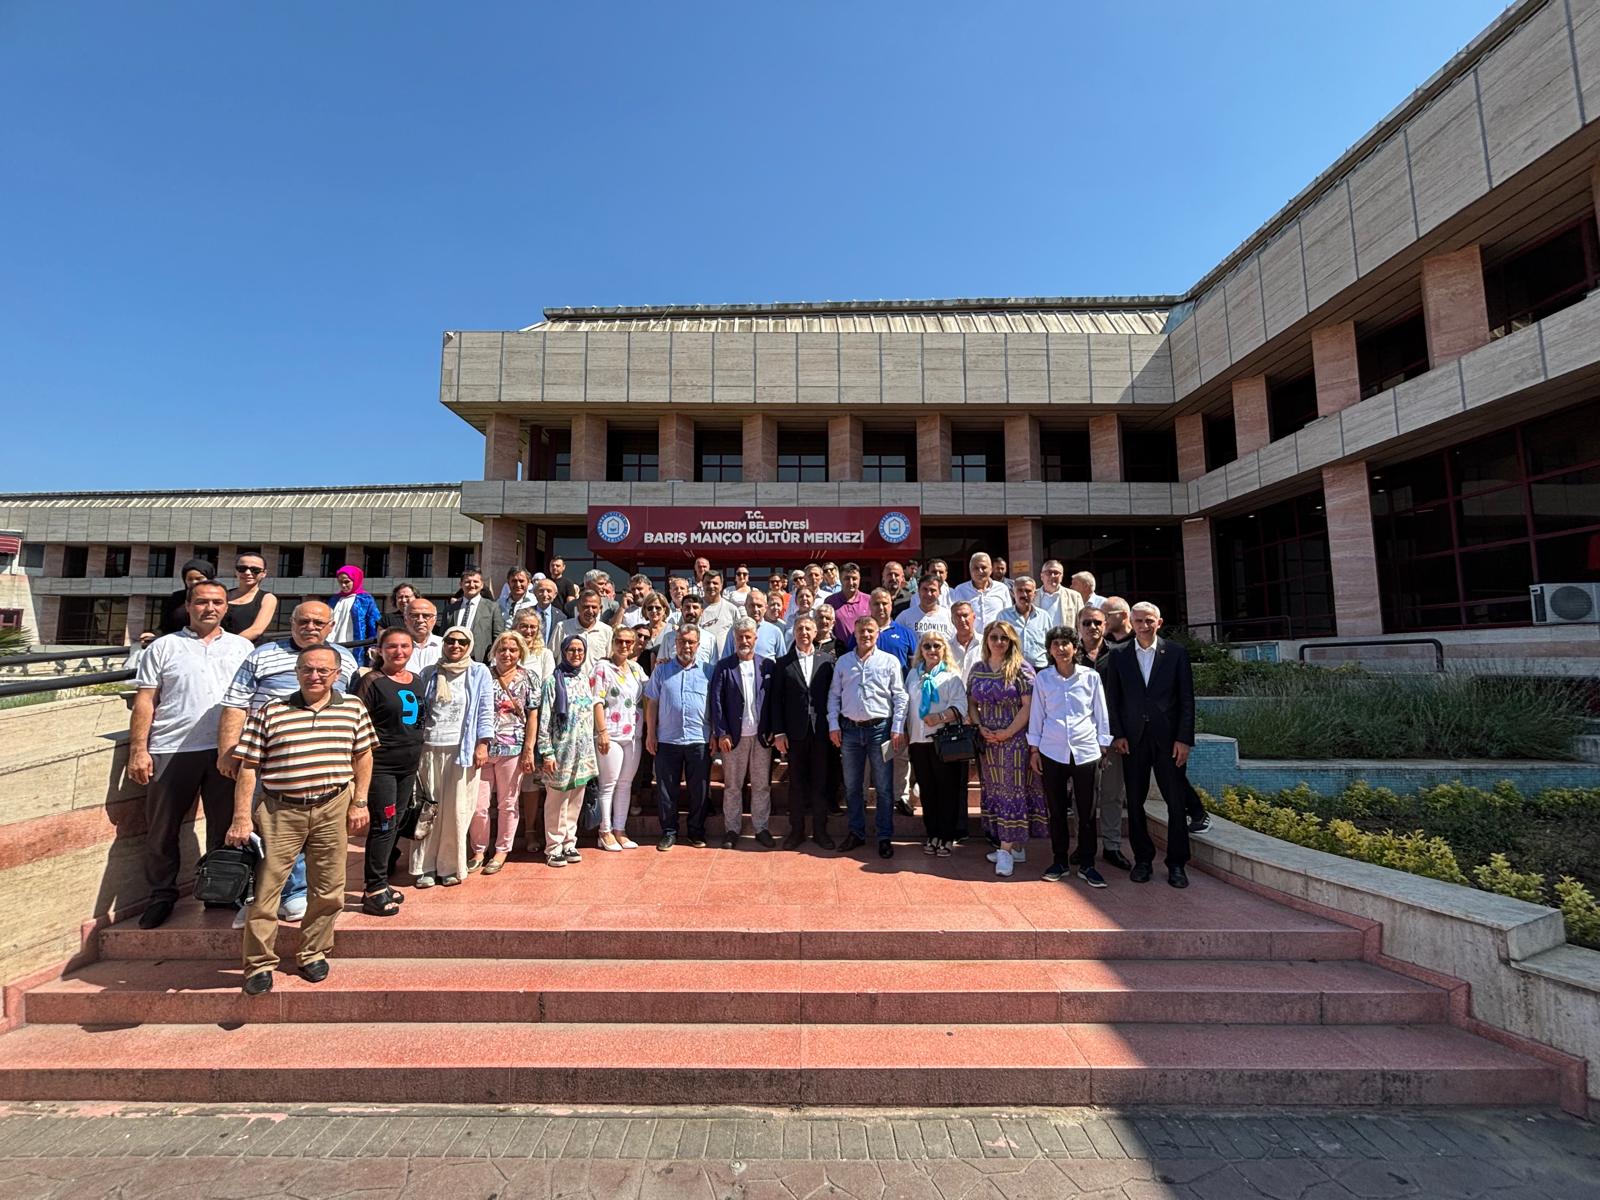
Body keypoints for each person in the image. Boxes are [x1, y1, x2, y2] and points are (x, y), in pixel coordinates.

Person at [226, 645, 375, 995]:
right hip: (280, 809)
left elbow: (363, 756)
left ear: (336, 674)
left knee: (329, 887)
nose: (315, 676)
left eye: (323, 670)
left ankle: (313, 951)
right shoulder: (271, 710)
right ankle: (259, 963)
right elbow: (248, 767)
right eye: (307, 669)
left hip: (332, 805)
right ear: (296, 672)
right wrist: (241, 816)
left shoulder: (353, 707)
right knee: (266, 890)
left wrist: (360, 801)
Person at [217, 601, 358, 926]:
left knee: (314, 831)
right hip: (269, 758)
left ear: (331, 627)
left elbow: (350, 708)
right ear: (292, 623)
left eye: (318, 623)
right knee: (266, 830)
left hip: (323, 761)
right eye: (303, 621)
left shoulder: (344, 660)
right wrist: (227, 749)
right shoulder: (262, 655)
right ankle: (258, 896)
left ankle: (295, 892)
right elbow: (236, 703)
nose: (310, 627)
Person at [127, 580, 254, 928]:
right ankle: (161, 894)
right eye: (201, 602)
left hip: (226, 749)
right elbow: (145, 700)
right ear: (188, 605)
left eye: (217, 602)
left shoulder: (242, 648)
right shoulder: (164, 647)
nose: (209, 608)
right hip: (171, 747)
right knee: (162, 828)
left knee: (224, 825)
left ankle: (221, 889)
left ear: (226, 607)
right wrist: (138, 749)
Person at [1100, 602, 1197, 888]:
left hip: (1169, 741)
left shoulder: (1176, 653)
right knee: (1135, 802)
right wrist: (1117, 734)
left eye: (1149, 621)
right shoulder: (1118, 655)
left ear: (1159, 622)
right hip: (1133, 741)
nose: (1144, 626)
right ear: (1131, 622)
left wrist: (1184, 739)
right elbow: (1112, 699)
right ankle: (1143, 859)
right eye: (1139, 621)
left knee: (1176, 803)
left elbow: (1187, 699)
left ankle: (1177, 863)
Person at [1028, 625, 1111, 888]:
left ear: (1075, 648)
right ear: (1049, 650)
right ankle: (1059, 861)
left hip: (1086, 751)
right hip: (1051, 750)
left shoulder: (1090, 677)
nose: (1061, 648)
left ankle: (1087, 864)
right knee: (1056, 810)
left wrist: (1103, 745)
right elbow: (1037, 714)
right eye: (1055, 644)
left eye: (1066, 643)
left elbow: (1100, 712)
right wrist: (1034, 749)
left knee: (1086, 811)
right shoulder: (1043, 679)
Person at [411, 625, 494, 887]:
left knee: (456, 809)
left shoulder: (479, 672)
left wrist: (483, 744)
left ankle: (449, 866)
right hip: (429, 748)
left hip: (462, 749)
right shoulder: (429, 672)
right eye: (450, 640)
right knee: (429, 809)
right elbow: (420, 711)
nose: (455, 646)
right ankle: (425, 866)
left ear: (469, 646)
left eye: (461, 642)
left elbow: (485, 709)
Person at [352, 627, 427, 915]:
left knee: (396, 822)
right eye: (392, 646)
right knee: (383, 824)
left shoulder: (416, 680)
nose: (399, 652)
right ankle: (373, 889)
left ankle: (381, 882)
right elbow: (356, 722)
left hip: (408, 765)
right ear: (380, 650)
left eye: (405, 646)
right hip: (380, 765)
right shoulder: (371, 681)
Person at [827, 615, 908, 859]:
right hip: (850, 730)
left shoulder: (889, 661)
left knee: (883, 787)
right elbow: (834, 696)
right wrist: (833, 725)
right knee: (853, 787)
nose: (866, 635)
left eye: (870, 631)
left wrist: (897, 727)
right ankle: (856, 832)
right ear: (855, 633)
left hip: (880, 730)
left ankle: (884, 836)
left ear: (877, 634)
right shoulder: (843, 662)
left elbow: (900, 696)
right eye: (862, 631)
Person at [968, 620, 1044, 878]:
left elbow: (1029, 706)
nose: (999, 642)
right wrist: (980, 726)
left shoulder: (1021, 668)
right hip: (988, 742)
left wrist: (1007, 732)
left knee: (1012, 791)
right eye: (994, 637)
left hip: (1014, 740)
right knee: (994, 791)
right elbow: (971, 702)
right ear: (987, 640)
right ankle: (1013, 846)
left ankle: (1005, 851)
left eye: (1004, 638)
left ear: (1012, 642)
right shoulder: (978, 669)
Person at [761, 614, 836, 849]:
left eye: (808, 629)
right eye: (800, 628)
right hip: (794, 733)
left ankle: (821, 831)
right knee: (796, 784)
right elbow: (776, 700)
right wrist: (779, 732)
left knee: (820, 783)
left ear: (815, 633)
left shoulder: (827, 661)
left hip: (821, 731)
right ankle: (797, 831)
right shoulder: (783, 663)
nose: (804, 632)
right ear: (794, 632)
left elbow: (834, 696)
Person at [469, 631, 538, 875]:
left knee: (508, 803)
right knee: (478, 805)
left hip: (513, 747)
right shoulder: (482, 674)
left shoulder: (528, 677)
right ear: (494, 651)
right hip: (483, 748)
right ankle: (479, 850)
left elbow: (532, 715)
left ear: (520, 653)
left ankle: (501, 850)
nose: (507, 654)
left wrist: (529, 749)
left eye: (513, 650)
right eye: (502, 649)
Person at [643, 623, 715, 851]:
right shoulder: (662, 670)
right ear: (675, 643)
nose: (687, 646)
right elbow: (652, 702)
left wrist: (714, 734)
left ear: (698, 645)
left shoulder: (709, 671)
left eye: (691, 642)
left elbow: (716, 706)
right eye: (682, 641)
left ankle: (696, 831)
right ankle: (669, 832)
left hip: (699, 739)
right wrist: (651, 733)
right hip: (667, 739)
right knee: (666, 789)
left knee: (699, 789)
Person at [710, 618, 776, 849]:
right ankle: (732, 829)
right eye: (740, 637)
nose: (744, 641)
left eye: (748, 636)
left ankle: (761, 828)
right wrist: (722, 733)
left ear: (755, 638)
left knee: (761, 785)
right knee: (732, 786)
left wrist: (773, 729)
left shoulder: (767, 666)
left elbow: (773, 702)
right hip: (733, 738)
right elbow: (716, 702)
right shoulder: (724, 666)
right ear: (734, 639)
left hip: (761, 736)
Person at [903, 630, 968, 858]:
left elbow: (961, 707)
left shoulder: (951, 676)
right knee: (927, 790)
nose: (932, 650)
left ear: (944, 649)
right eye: (927, 646)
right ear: (921, 650)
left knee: (946, 790)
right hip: (918, 741)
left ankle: (947, 836)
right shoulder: (913, 675)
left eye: (936, 646)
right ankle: (932, 833)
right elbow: (906, 705)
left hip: (943, 742)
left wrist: (940, 717)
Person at [1077, 606, 1133, 871]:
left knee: (1112, 793)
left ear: (1106, 625)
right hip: (1080, 737)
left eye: (1097, 622)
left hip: (1112, 736)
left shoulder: (1120, 655)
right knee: (1082, 796)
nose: (1092, 627)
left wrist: (1120, 733)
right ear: (1079, 626)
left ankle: (1112, 845)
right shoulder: (1070, 656)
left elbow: (1127, 698)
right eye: (1087, 623)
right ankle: (1082, 845)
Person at [594, 625, 646, 850]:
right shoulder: (602, 667)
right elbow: (596, 700)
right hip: (611, 734)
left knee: (625, 784)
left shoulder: (636, 669)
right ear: (613, 642)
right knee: (608, 784)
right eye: (619, 641)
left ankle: (620, 830)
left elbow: (649, 692)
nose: (624, 645)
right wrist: (602, 732)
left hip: (633, 734)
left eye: (628, 642)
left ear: (633, 645)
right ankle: (604, 831)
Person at [438, 567, 505, 662]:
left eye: (475, 582)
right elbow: (443, 636)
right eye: (467, 582)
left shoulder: (492, 608)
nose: (472, 585)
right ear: (461, 584)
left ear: (482, 584)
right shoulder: (450, 609)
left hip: (480, 660)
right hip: (453, 660)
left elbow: (498, 637)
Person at [152, 558, 216, 640]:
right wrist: (153, 635)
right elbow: (164, 626)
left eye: (199, 578)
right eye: (190, 579)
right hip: (178, 642)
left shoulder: (219, 598)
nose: (194, 582)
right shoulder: (175, 599)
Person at [950, 552, 1012, 635]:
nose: (980, 571)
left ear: (991, 569)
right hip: (971, 640)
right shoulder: (960, 590)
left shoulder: (1002, 589)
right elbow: (955, 618)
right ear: (970, 570)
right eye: (976, 568)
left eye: (984, 567)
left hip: (996, 639)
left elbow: (1008, 616)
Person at [222, 552, 278, 642]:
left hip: (248, 647)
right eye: (242, 569)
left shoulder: (268, 598)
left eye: (255, 570)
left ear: (264, 573)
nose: (247, 573)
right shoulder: (223, 595)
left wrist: (227, 645)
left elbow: (256, 630)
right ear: (236, 571)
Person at [998, 576, 1051, 669]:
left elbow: (1050, 643)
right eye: (1020, 590)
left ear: (1035, 594)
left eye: (1028, 591)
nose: (1024, 594)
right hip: (1013, 667)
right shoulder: (1003, 616)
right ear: (1013, 593)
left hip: (1039, 668)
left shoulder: (1044, 616)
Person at [327, 565, 382, 651]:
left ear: (355, 580)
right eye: (340, 582)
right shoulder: (334, 599)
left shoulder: (365, 599)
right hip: (332, 644)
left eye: (347, 582)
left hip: (355, 645)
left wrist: (373, 645)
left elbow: (373, 624)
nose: (343, 585)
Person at [559, 588, 614, 665]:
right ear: (578, 607)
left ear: (600, 609)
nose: (590, 611)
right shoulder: (562, 627)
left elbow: (610, 660)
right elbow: (552, 656)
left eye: (594, 607)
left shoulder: (607, 631)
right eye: (586, 607)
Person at [896, 574, 955, 643]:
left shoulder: (950, 616)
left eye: (933, 590)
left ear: (939, 592)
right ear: (918, 591)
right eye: (925, 589)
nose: (928, 594)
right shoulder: (905, 617)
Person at [824, 563, 872, 644]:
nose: (851, 582)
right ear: (840, 579)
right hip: (839, 649)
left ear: (859, 579)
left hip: (864, 648)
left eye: (854, 578)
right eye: (847, 578)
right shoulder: (830, 601)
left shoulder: (869, 600)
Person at [695, 571, 742, 649]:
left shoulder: (731, 609)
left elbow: (739, 636)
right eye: (707, 583)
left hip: (724, 656)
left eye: (715, 583)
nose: (711, 586)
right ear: (702, 584)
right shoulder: (694, 608)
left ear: (721, 585)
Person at [1036, 561, 1083, 628]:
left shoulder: (1074, 597)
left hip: (1065, 635)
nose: (1052, 576)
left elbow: (1082, 624)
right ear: (1042, 576)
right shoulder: (1032, 596)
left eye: (1056, 573)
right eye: (1049, 572)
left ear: (1061, 577)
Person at [403, 599, 443, 671]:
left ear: (435, 620)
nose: (420, 620)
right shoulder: (395, 646)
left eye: (426, 616)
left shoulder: (444, 645)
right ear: (405, 619)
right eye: (414, 615)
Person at [526, 577, 564, 651]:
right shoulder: (525, 613)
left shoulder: (561, 617)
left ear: (555, 594)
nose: (545, 594)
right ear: (535, 593)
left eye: (549, 591)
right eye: (541, 591)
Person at [949, 601, 985, 678]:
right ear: (952, 620)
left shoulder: (986, 643)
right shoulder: (946, 647)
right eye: (957, 616)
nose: (962, 620)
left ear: (974, 617)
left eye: (965, 615)